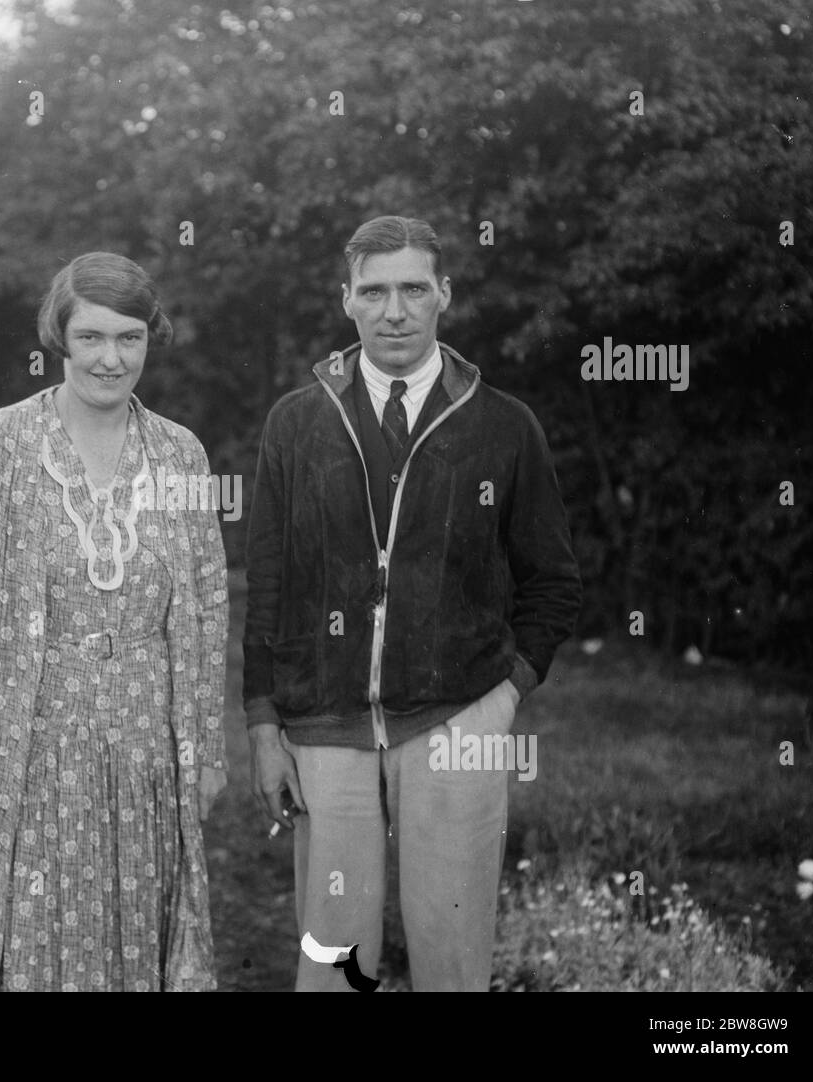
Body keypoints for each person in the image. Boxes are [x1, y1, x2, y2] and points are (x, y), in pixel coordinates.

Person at [244, 215, 581, 991]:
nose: (394, 310)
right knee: (333, 959)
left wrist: (505, 693)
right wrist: (264, 722)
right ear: (347, 301)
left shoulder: (504, 425)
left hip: (459, 718)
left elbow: (553, 580)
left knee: (454, 955)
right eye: (375, 291)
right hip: (325, 721)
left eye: (412, 290)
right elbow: (270, 582)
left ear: (444, 296)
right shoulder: (297, 423)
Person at [0, 252, 229, 991]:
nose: (110, 358)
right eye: (90, 337)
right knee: (23, 946)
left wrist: (205, 748)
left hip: (145, 752)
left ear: (152, 340)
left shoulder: (181, 454)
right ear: (58, 337)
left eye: (129, 338)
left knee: (133, 938)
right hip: (27, 746)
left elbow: (209, 605)